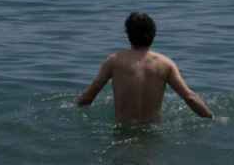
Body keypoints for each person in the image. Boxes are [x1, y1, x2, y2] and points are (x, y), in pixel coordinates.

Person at [77, 12, 213, 124]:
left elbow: (88, 97)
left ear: (128, 35)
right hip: (152, 131)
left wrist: (74, 106)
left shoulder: (114, 61)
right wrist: (211, 118)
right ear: (154, 34)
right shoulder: (165, 64)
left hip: (123, 130)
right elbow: (190, 98)